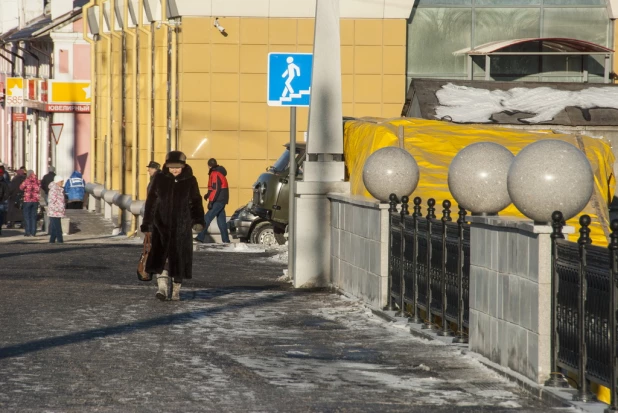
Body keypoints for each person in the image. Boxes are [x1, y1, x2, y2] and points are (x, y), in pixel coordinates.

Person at [140, 151, 205, 301]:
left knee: (179, 259)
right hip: (160, 225)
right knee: (162, 258)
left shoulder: (190, 180)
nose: (174, 170)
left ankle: (176, 290)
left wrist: (198, 221)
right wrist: (148, 224)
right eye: (171, 167)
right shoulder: (160, 179)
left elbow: (195, 202)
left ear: (183, 166)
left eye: (178, 167)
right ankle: (162, 289)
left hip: (181, 227)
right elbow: (151, 203)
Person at [194, 158, 230, 244]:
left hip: (218, 200)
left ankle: (200, 237)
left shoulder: (215, 173)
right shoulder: (220, 173)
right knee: (221, 222)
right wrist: (208, 194)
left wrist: (211, 201)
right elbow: (214, 188)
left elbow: (215, 189)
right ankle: (226, 240)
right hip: (222, 199)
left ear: (209, 166)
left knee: (207, 218)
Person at [20, 170, 41, 237]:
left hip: (27, 200)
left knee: (27, 216)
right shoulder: (37, 181)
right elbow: (39, 188)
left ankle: (28, 232)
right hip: (35, 200)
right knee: (33, 216)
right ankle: (33, 232)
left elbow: (21, 187)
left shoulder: (26, 180)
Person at [47, 175, 65, 244]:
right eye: (61, 181)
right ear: (57, 182)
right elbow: (52, 200)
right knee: (58, 227)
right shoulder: (54, 189)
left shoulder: (59, 189)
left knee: (55, 227)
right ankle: (60, 240)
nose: (62, 183)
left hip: (57, 210)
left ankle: (52, 240)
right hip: (54, 211)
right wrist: (59, 206)